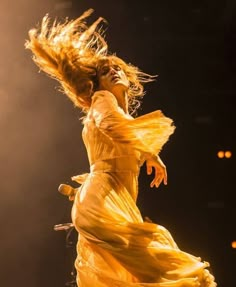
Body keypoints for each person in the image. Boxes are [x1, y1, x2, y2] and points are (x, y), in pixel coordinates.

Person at [25, 9, 217, 287]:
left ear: (128, 77)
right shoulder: (103, 101)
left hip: (117, 206)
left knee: (127, 278)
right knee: (158, 263)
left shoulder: (127, 121)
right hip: (100, 203)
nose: (113, 72)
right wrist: (151, 149)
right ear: (97, 84)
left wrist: (148, 151)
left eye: (117, 68)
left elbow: (122, 129)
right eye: (105, 72)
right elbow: (112, 125)